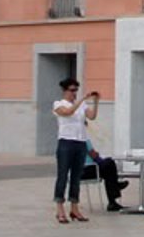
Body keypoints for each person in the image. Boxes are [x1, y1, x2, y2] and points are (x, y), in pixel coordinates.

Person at [52, 77, 99, 223]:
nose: (74, 93)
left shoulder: (82, 104)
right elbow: (67, 112)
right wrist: (80, 101)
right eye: (72, 90)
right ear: (65, 90)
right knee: (62, 175)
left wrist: (95, 102)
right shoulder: (58, 104)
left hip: (80, 143)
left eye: (76, 90)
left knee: (76, 177)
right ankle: (60, 209)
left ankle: (74, 208)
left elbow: (92, 116)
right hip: (66, 142)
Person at [82, 141, 131, 211]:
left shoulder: (71, 141)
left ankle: (113, 202)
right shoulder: (83, 139)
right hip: (88, 169)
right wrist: (98, 157)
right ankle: (116, 188)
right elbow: (93, 154)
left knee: (108, 172)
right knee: (110, 163)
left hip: (82, 171)